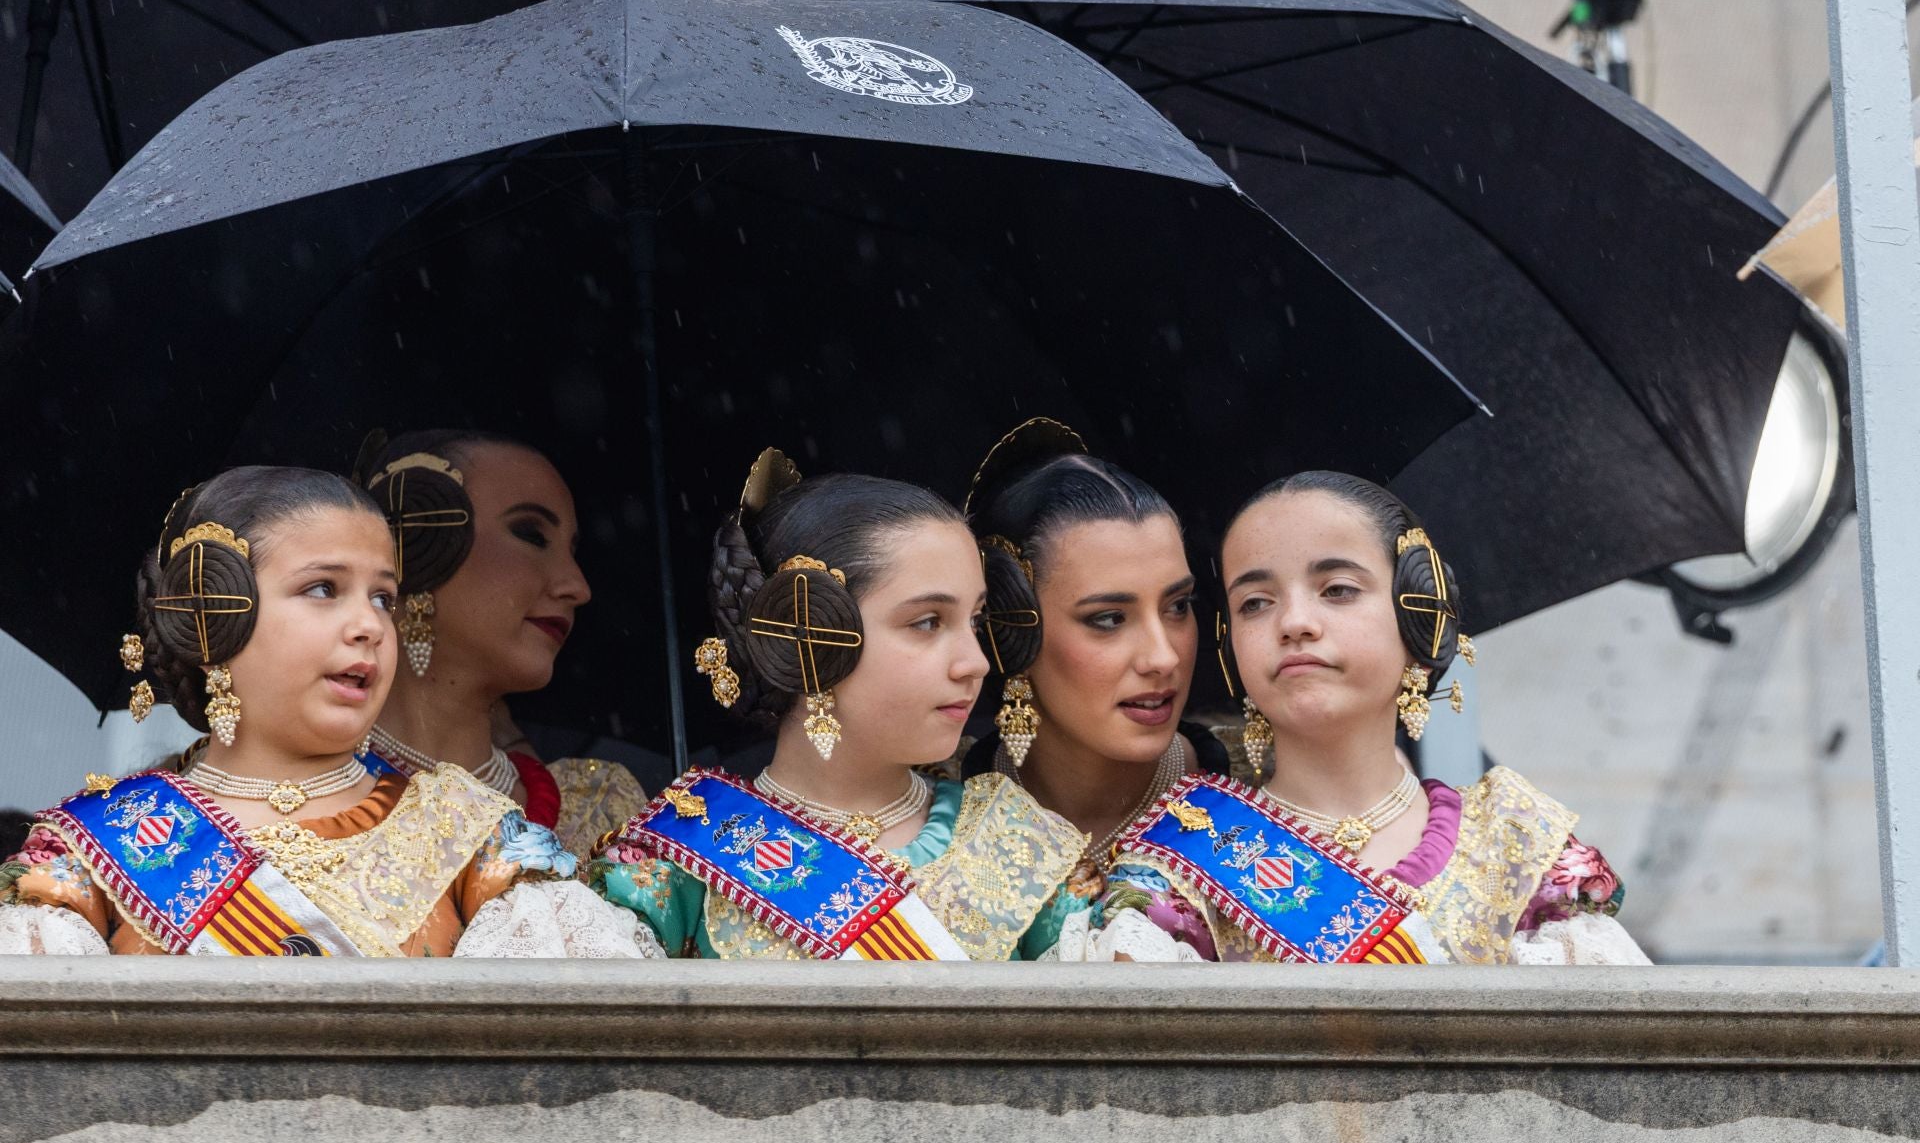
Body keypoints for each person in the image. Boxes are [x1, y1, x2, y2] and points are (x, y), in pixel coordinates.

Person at [0, 467, 656, 957]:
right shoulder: (92, 851)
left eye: (383, 598)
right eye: (323, 589)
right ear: (212, 617)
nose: (368, 624)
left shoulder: (470, 834)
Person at [1079, 472, 1645, 965]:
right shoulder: (1184, 862)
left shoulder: (1515, 846)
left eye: (1338, 590)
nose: (1295, 621)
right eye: (1255, 602)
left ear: (1417, 619)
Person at [590, 449, 1087, 960]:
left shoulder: (1021, 845)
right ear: (811, 636)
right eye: (928, 622)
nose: (975, 662)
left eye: (976, 623)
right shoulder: (680, 860)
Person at [956, 419, 1246, 901]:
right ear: (1008, 630)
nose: (1163, 656)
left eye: (1178, 607)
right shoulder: (929, 818)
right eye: (1109, 618)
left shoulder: (1269, 796)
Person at [349, 430, 648, 860]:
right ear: (412, 546)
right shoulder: (292, 788)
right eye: (532, 534)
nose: (577, 586)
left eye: (572, 550)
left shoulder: (596, 812)